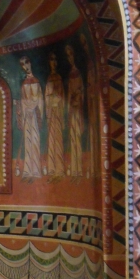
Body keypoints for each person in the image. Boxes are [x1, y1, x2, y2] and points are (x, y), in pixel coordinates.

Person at [15, 56, 43, 180]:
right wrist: (22, 110)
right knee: (27, 142)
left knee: (35, 141)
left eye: (26, 63)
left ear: (30, 63)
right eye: (23, 65)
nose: (25, 66)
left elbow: (39, 99)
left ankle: (35, 171)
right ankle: (27, 171)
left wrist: (35, 110)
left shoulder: (36, 82)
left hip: (34, 115)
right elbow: (23, 100)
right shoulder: (24, 84)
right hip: (27, 115)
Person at [81, 34, 99, 179]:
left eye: (85, 44)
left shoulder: (94, 66)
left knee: (95, 133)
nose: (85, 47)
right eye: (83, 45)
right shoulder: (88, 66)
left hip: (95, 107)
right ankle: (92, 169)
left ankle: (95, 168)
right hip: (90, 105)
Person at [44, 52, 65, 180]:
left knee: (58, 140)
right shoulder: (49, 79)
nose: (53, 62)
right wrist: (50, 101)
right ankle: (51, 169)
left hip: (57, 112)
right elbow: (47, 97)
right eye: (51, 60)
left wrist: (54, 100)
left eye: (55, 60)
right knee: (51, 141)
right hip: (51, 113)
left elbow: (61, 96)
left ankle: (60, 169)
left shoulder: (58, 78)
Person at [66, 44, 84, 180]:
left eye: (71, 54)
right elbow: (69, 94)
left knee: (77, 138)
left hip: (78, 110)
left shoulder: (78, 74)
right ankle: (74, 170)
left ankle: (79, 170)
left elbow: (80, 92)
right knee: (73, 139)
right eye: (67, 56)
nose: (69, 58)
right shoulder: (70, 74)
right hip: (72, 110)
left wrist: (77, 97)